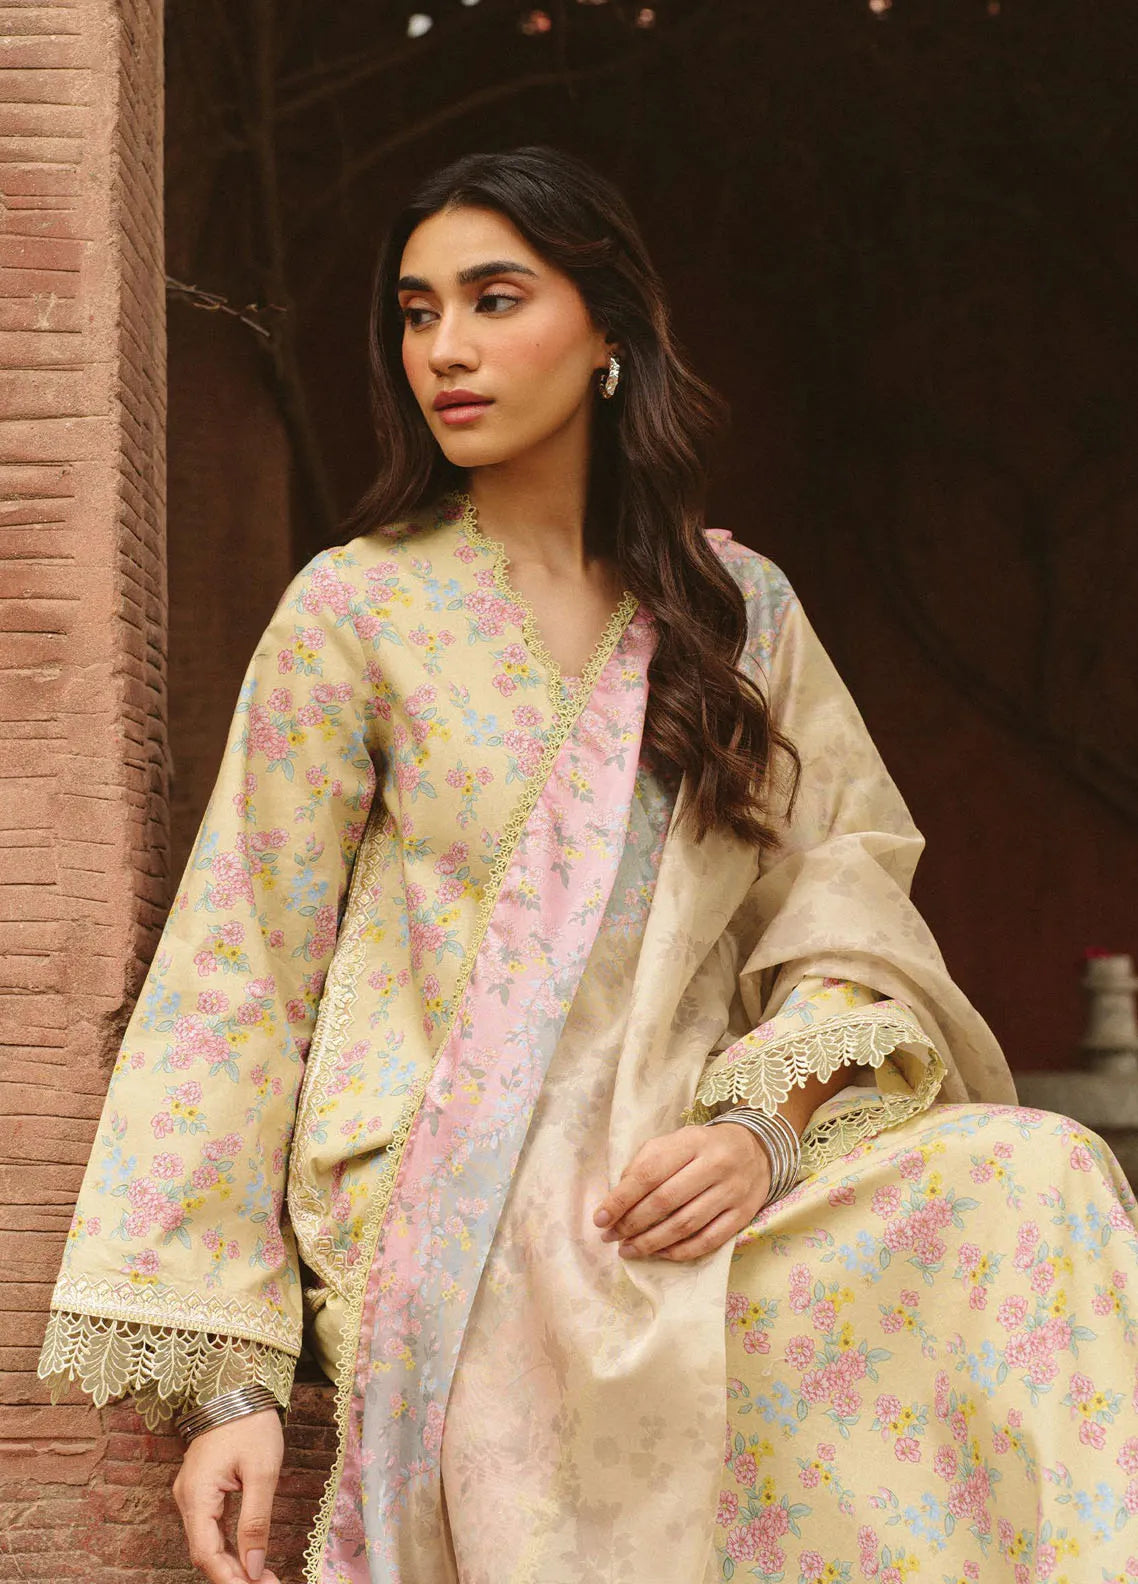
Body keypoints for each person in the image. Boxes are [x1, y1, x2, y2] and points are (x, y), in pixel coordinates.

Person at [37, 144, 1138, 1584]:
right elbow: (242, 972)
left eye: (494, 300)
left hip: (693, 1171)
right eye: (417, 312)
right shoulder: (357, 612)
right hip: (463, 1201)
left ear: (608, 332)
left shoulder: (738, 614)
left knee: (1042, 1180)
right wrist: (229, 1386)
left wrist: (761, 1132)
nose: (446, 349)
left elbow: (847, 898)